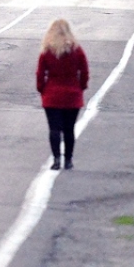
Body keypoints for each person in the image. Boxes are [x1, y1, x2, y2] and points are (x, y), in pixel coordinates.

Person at [35, 19, 89, 170]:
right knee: (69, 129)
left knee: (54, 129)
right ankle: (68, 159)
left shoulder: (47, 51)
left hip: (52, 96)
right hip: (72, 95)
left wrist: (42, 89)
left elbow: (40, 74)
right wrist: (81, 87)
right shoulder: (77, 50)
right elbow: (84, 71)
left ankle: (56, 159)